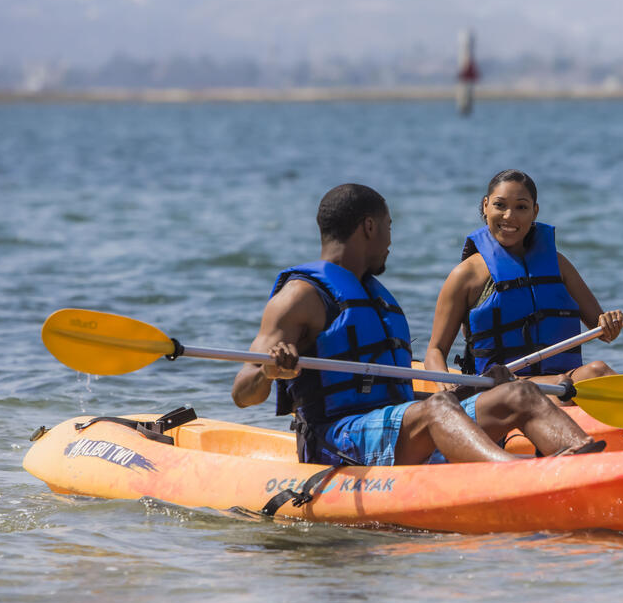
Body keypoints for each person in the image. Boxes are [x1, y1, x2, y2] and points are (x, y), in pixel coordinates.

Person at [230, 183, 602, 466]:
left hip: (399, 427)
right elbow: (242, 394)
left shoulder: (376, 297)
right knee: (436, 409)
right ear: (370, 227)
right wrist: (268, 371)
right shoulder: (300, 297)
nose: (391, 241)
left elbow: (401, 401)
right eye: (389, 228)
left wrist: (470, 392)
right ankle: (517, 476)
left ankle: (589, 466)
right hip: (339, 439)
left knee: (520, 393)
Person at [424, 169, 623, 397]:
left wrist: (610, 322)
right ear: (485, 206)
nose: (509, 216)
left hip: (562, 381)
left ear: (534, 211)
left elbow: (605, 333)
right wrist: (443, 383)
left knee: (598, 370)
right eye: (500, 205)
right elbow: (435, 350)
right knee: (556, 386)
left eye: (521, 207)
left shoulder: (558, 265)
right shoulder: (466, 275)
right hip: (500, 388)